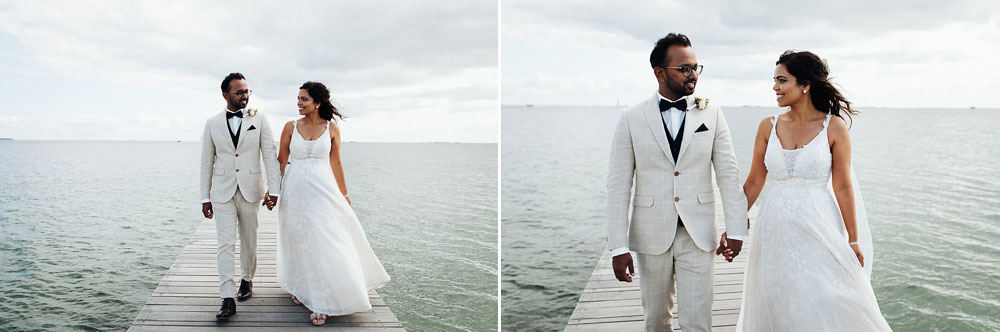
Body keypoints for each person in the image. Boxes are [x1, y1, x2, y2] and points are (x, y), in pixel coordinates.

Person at [730, 50, 892, 331]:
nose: (775, 87)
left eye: (782, 80)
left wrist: (853, 240)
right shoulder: (767, 127)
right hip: (773, 230)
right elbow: (755, 181)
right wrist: (733, 223)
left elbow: (842, 185)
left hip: (819, 226)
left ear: (804, 84)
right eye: (774, 80)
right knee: (777, 299)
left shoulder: (834, 126)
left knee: (825, 297)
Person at [606, 33, 748, 332]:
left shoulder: (711, 111)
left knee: (698, 321)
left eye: (696, 67)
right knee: (655, 320)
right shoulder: (631, 117)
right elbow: (618, 186)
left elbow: (728, 174)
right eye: (684, 68)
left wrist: (737, 228)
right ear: (659, 72)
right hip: (651, 233)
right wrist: (618, 246)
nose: (693, 74)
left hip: (698, 234)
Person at [275, 81, 390, 326]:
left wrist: (345, 195)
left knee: (323, 240)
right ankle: (300, 286)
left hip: (323, 190)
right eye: (297, 98)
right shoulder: (289, 127)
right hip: (295, 190)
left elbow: (336, 163)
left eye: (303, 99)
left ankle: (321, 301)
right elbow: (281, 162)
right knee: (298, 238)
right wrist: (272, 192)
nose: (298, 103)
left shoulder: (332, 128)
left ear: (317, 103)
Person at [199, 72, 281, 320]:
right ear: (225, 95)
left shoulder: (260, 119)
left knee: (249, 239)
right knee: (225, 243)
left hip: (251, 189)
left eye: (247, 91)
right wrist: (205, 197)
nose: (244, 96)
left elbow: (269, 155)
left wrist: (274, 190)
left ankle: (247, 279)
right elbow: (206, 161)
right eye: (239, 92)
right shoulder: (212, 123)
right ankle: (227, 298)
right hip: (222, 191)